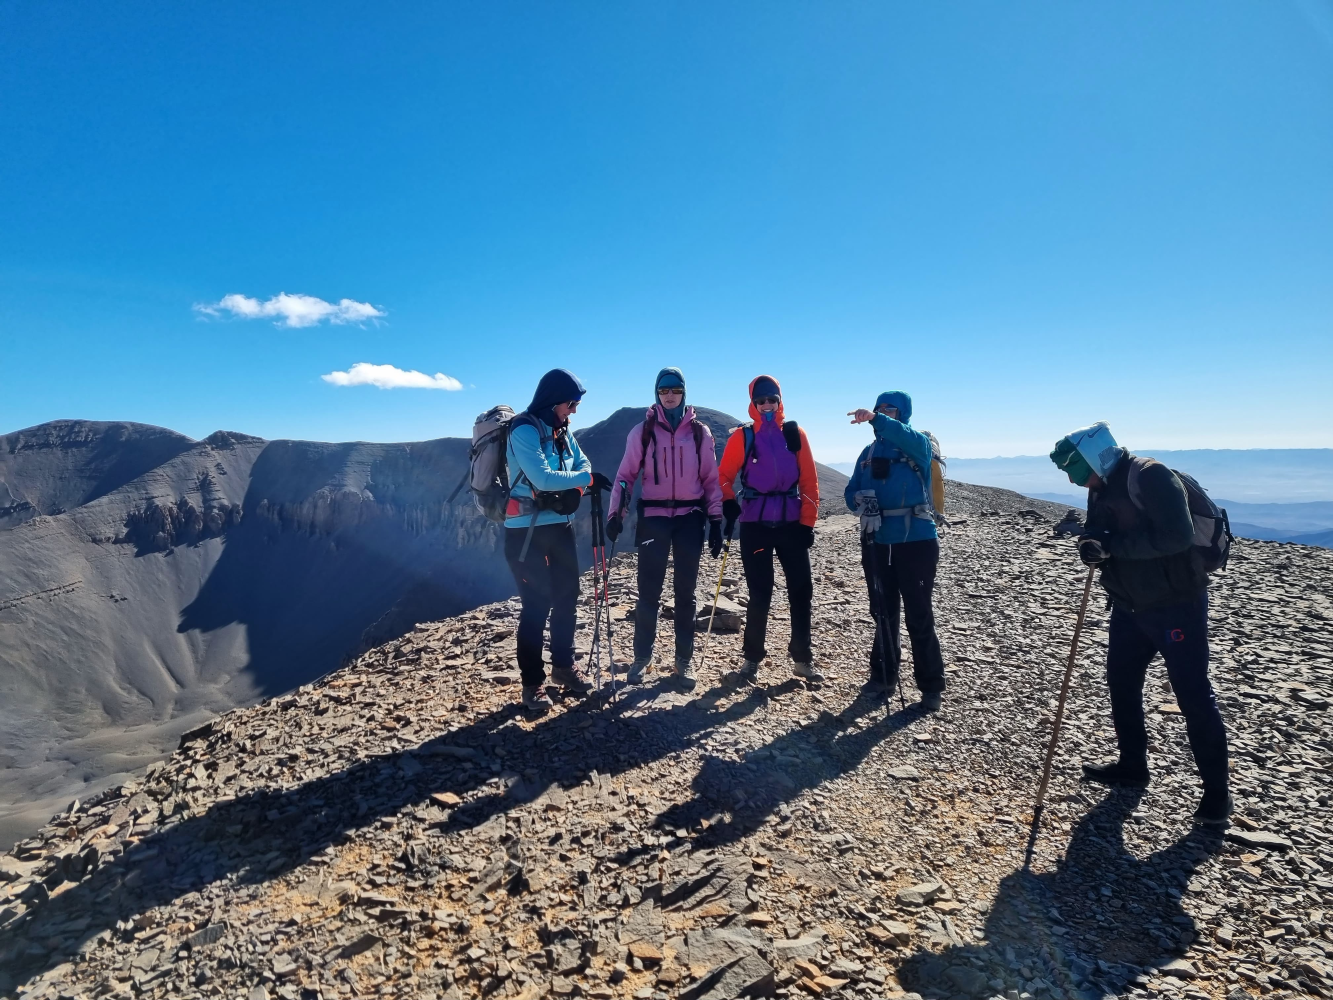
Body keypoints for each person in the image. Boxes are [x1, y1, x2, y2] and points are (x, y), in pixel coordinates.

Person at [1050, 421, 1231, 825]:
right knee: (1121, 681)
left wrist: (1113, 547)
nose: (1079, 483)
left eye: (1078, 473)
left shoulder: (1152, 477)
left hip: (1176, 604)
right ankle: (1133, 765)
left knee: (1193, 695)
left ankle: (1218, 796)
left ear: (1097, 457)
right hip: (1129, 605)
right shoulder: (1103, 484)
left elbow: (1177, 537)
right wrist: (1091, 544)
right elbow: (1105, 532)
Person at [606, 368, 724, 689]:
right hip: (654, 518)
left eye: (674, 389)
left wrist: (715, 521)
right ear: (656, 394)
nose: (669, 395)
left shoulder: (700, 433)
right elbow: (625, 476)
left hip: (689, 518)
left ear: (684, 392)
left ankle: (683, 661)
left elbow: (711, 482)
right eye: (663, 390)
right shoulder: (642, 432)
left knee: (685, 593)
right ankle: (642, 658)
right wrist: (615, 513)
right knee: (648, 592)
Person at [504, 368, 609, 712]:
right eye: (571, 403)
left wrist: (580, 479)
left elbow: (583, 461)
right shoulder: (523, 429)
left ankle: (564, 667)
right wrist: (584, 480)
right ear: (553, 399)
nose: (574, 410)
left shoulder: (561, 429)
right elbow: (543, 478)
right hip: (525, 531)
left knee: (567, 594)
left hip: (559, 526)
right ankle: (532, 684)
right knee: (536, 603)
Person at [844, 391, 946, 712]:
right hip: (876, 540)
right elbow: (849, 493)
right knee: (883, 612)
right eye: (879, 408)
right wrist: (861, 501)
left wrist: (877, 419)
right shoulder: (869, 452)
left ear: (903, 413)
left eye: (889, 409)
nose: (881, 413)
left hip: (916, 541)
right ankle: (883, 676)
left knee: (918, 613)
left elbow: (900, 432)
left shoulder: (917, 444)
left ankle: (930, 687)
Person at [717, 375, 822, 683]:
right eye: (760, 400)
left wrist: (807, 524)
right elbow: (723, 476)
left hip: (791, 526)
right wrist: (727, 501)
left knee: (801, 591)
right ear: (753, 403)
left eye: (771, 399)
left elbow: (810, 482)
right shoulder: (743, 437)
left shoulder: (795, 433)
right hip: (756, 527)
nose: (766, 405)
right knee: (760, 592)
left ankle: (803, 659)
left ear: (779, 401)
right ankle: (751, 660)